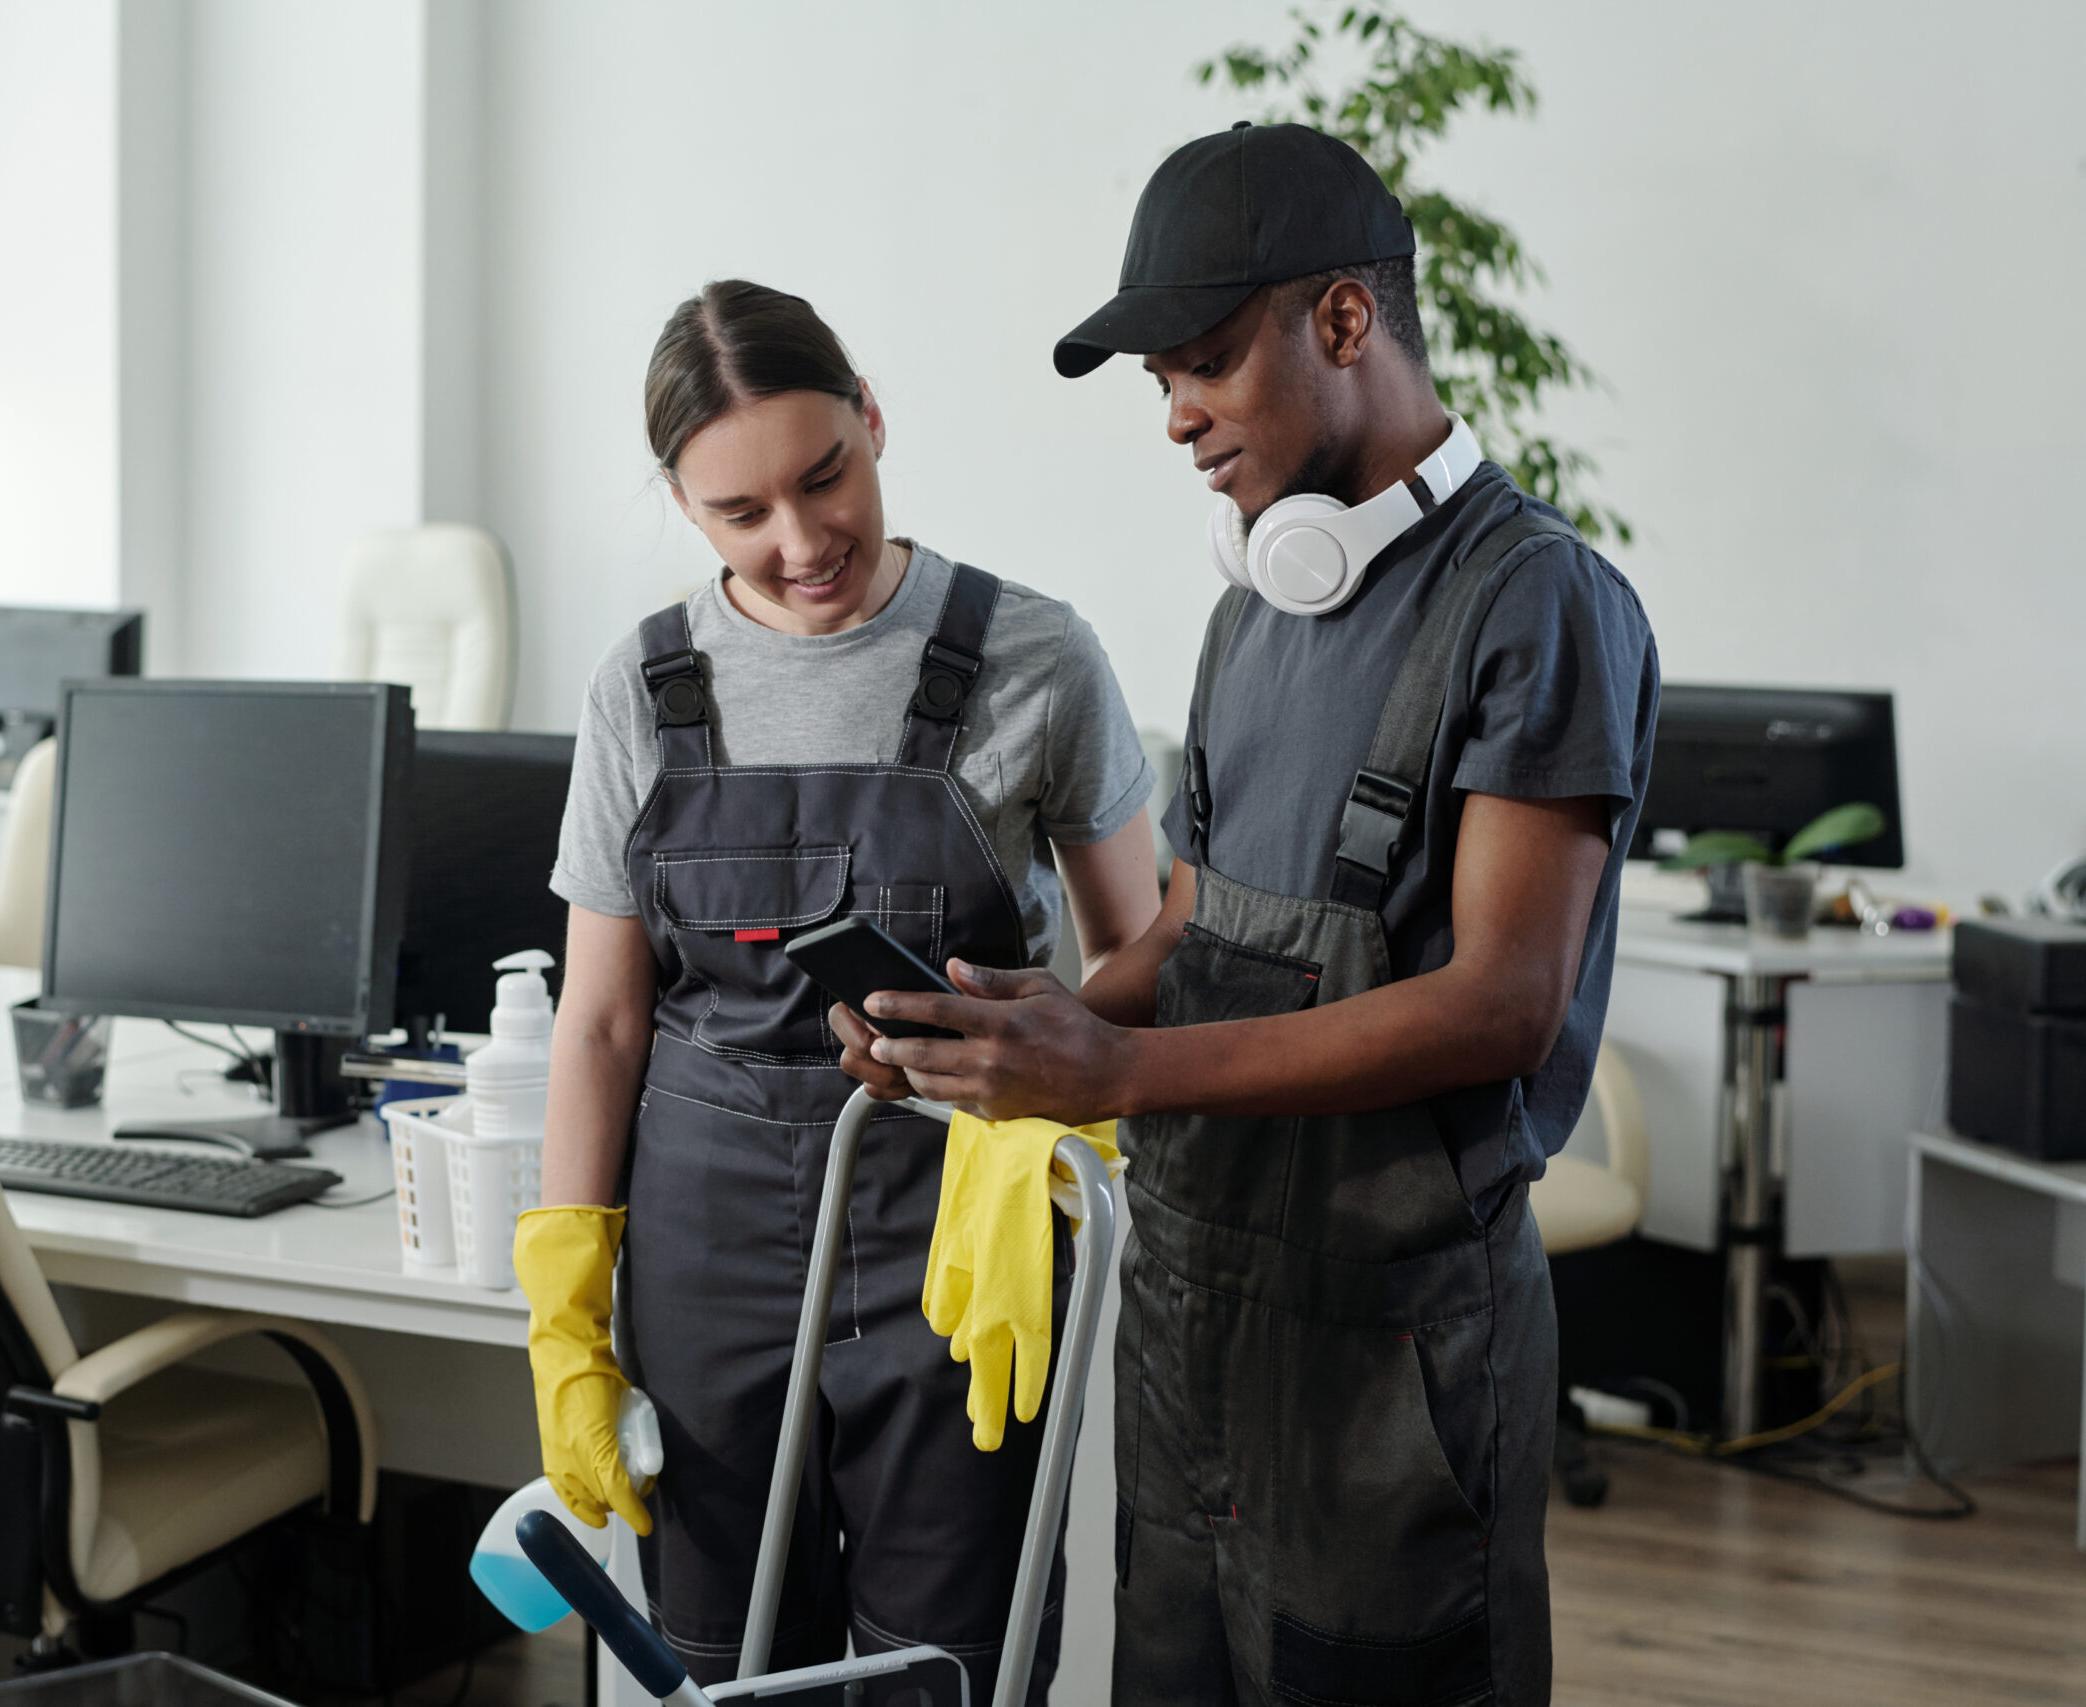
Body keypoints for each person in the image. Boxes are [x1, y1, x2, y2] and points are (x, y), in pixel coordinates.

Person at [836, 125, 1661, 1707]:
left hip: (1394, 1357)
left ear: (1344, 322)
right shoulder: (1249, 618)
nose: (1177, 418)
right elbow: (1199, 927)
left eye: (1205, 363)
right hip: (1191, 1324)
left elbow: (1503, 1003)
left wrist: (1121, 1077)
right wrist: (1018, 1021)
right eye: (1160, 382)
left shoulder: (1538, 603)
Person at [515, 279, 1162, 1704]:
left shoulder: (1032, 655)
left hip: (956, 1238)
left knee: (948, 1668)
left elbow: (1141, 954)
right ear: (686, 509)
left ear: (874, 422)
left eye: (827, 478)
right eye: (743, 515)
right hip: (705, 1249)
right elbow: (606, 1019)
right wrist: (564, 1307)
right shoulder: (645, 687)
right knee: (720, 1661)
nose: (802, 544)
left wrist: (1042, 1134)